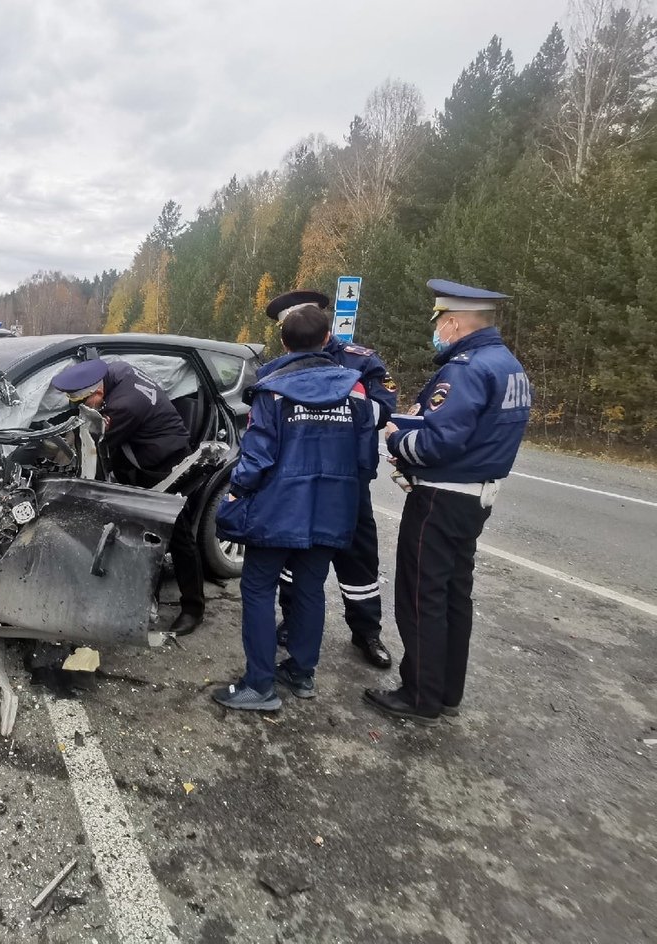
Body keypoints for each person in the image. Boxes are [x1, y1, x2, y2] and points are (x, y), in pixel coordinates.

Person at [364, 279, 531, 726]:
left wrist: (397, 438)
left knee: (422, 598)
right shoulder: (508, 365)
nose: (437, 328)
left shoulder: (465, 368)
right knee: (455, 596)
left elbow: (437, 445)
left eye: (440, 321)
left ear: (454, 322)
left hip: (441, 498)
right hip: (476, 497)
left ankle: (420, 696)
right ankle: (446, 692)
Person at [212, 305, 378, 711]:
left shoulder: (272, 388)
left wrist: (236, 492)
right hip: (333, 508)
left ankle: (260, 685)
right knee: (309, 589)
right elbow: (366, 459)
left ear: (283, 341)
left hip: (277, 509)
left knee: (257, 589)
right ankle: (302, 674)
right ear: (327, 340)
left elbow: (257, 456)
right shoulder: (355, 390)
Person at [265, 290, 398, 670]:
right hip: (298, 478)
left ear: (322, 326)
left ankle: (366, 631)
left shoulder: (360, 360)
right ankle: (292, 620)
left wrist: (335, 398)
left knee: (357, 556)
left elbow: (384, 410)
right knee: (294, 552)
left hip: (348, 479)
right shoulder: (281, 365)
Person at [50, 358, 205, 635]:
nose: (81, 409)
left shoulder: (123, 406)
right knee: (142, 532)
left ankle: (193, 609)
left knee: (177, 536)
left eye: (83, 403)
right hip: (142, 456)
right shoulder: (115, 370)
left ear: (97, 393)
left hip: (165, 464)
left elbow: (95, 446)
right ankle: (146, 595)